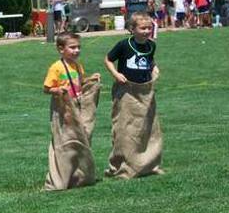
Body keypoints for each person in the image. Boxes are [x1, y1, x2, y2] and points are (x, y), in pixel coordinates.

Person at [103, 12, 164, 179]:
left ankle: (149, 164)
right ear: (132, 29)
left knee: (147, 128)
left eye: (149, 28)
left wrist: (154, 68)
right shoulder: (124, 45)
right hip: (126, 91)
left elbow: (150, 61)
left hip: (144, 92)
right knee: (124, 128)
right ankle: (122, 166)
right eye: (142, 28)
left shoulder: (151, 45)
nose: (146, 31)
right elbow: (108, 59)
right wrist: (116, 74)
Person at [42, 32, 101, 191]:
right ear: (61, 49)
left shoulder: (77, 65)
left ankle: (78, 173)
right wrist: (58, 90)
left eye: (78, 47)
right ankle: (61, 175)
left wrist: (91, 79)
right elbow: (46, 89)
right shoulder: (56, 67)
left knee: (80, 136)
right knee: (65, 138)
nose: (76, 51)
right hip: (62, 107)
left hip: (77, 105)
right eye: (72, 47)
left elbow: (80, 83)